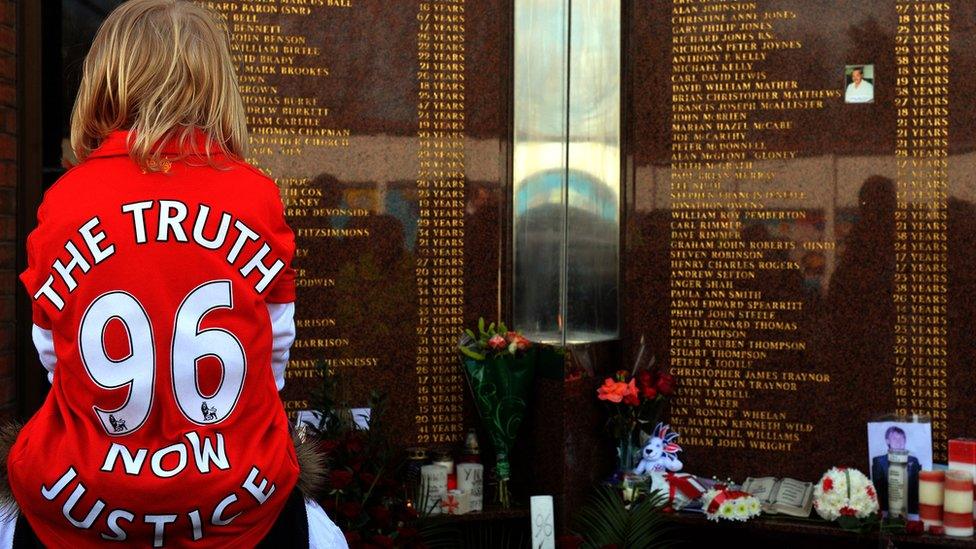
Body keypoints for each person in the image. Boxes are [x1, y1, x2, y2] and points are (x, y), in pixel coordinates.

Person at [1, 1, 346, 547]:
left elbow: (55, 357)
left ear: (104, 81)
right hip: (241, 499)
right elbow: (271, 361)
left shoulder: (64, 200)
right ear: (218, 87)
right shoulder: (256, 197)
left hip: (77, 498)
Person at [871, 426, 922, 516]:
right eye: (894, 438)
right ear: (887, 441)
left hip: (911, 511)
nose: (898, 441)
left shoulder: (914, 461)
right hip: (888, 511)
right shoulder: (879, 461)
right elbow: (878, 489)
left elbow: (917, 488)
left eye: (901, 438)